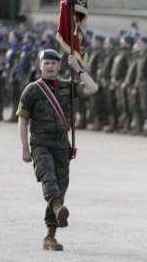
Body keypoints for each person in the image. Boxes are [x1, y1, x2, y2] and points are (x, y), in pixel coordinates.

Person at [17, 49, 98, 250]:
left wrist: (78, 69)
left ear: (59, 66)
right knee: (49, 178)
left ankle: (50, 236)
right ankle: (57, 207)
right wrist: (25, 148)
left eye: (54, 63)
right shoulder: (32, 90)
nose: (50, 66)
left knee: (61, 186)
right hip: (41, 143)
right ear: (40, 66)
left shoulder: (66, 86)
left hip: (62, 144)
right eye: (46, 63)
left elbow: (92, 88)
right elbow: (22, 120)